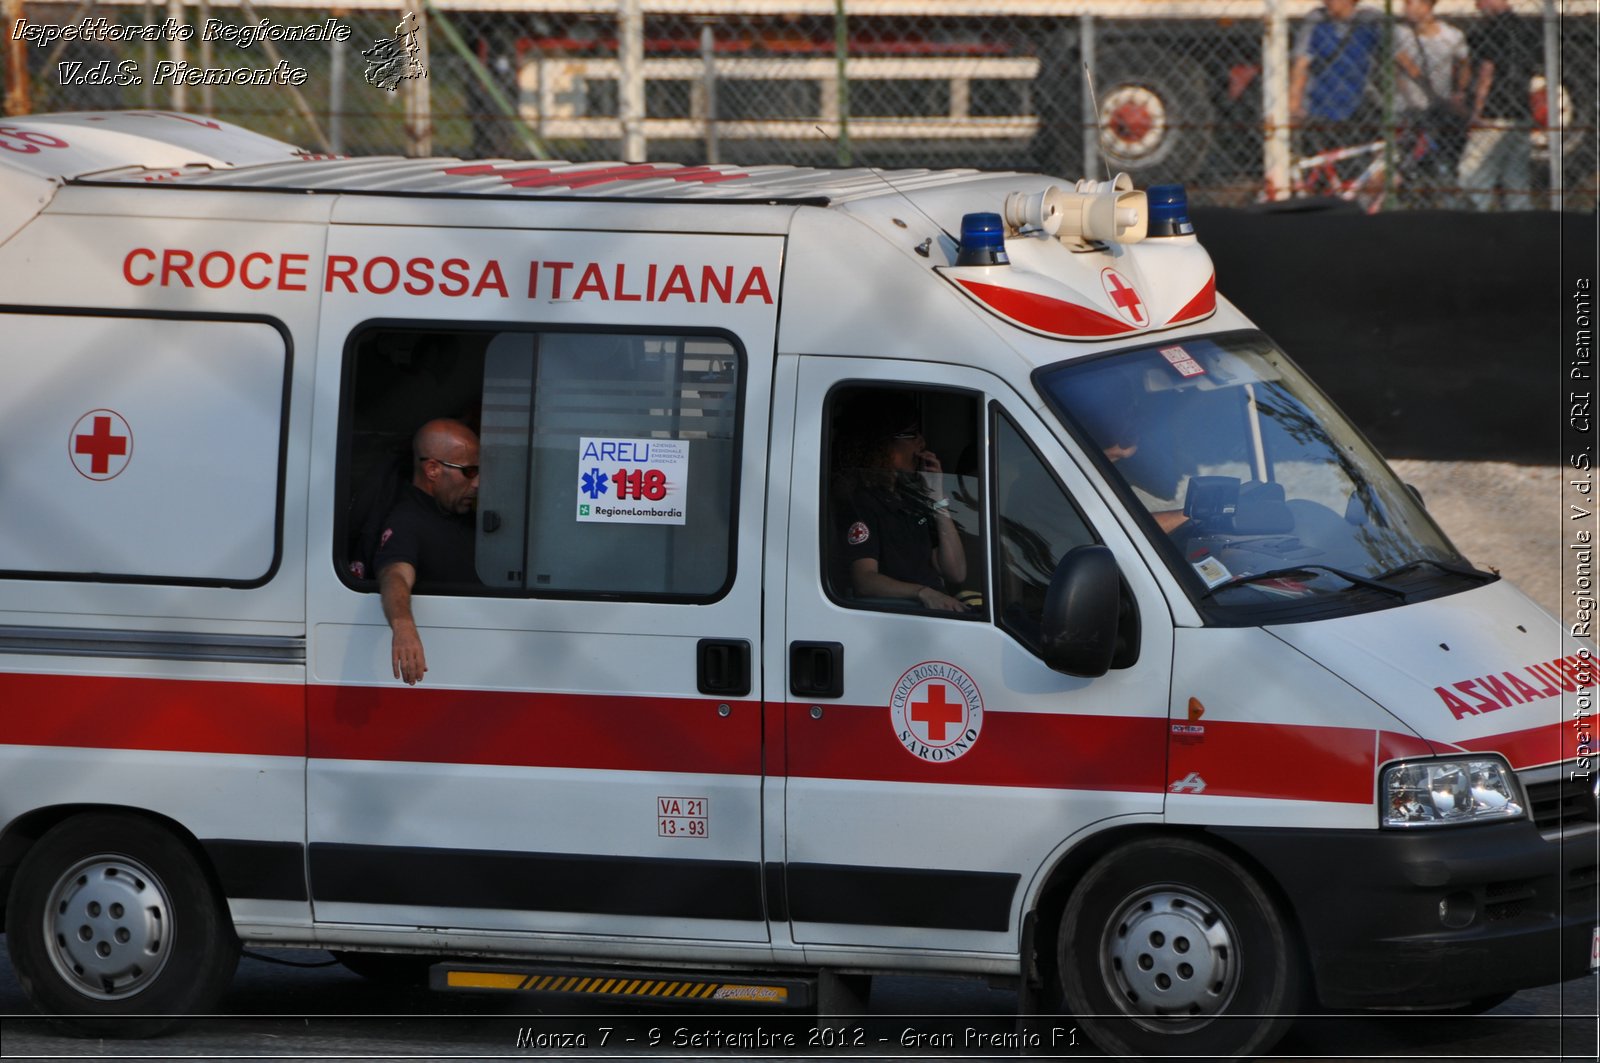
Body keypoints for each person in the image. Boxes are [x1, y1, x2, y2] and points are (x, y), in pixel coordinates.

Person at [833, 397, 970, 613]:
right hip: (902, 613)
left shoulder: (912, 499)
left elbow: (956, 572)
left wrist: (938, 499)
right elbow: (865, 580)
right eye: (913, 435)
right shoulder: (861, 502)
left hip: (935, 611)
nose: (922, 444)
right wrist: (923, 593)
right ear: (883, 445)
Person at [375, 418, 482, 684]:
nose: (478, 482)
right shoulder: (407, 520)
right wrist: (403, 626)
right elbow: (394, 573)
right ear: (433, 469)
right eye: (469, 472)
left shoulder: (460, 515)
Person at [1459, 0, 1542, 211]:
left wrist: (1477, 111)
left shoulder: (1491, 30)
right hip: (1520, 110)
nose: (1477, 7)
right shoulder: (1527, 29)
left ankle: (1477, 223)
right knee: (1516, 178)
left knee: (1474, 172)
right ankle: (1522, 226)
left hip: (1494, 110)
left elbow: (1487, 71)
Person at [1394, 0, 1471, 199]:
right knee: (1402, 161)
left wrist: (1459, 92)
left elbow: (1464, 63)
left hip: (1437, 110)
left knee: (1437, 159)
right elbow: (1399, 65)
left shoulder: (1451, 36)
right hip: (1406, 109)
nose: (1405, 8)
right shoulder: (1399, 34)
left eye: (1411, 3)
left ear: (1426, 6)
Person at [1289, 0, 1384, 157]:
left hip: (1359, 107)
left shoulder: (1369, 21)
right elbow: (1301, 65)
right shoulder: (1317, 20)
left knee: (1377, 157)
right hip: (1319, 107)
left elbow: (1396, 55)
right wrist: (1293, 105)